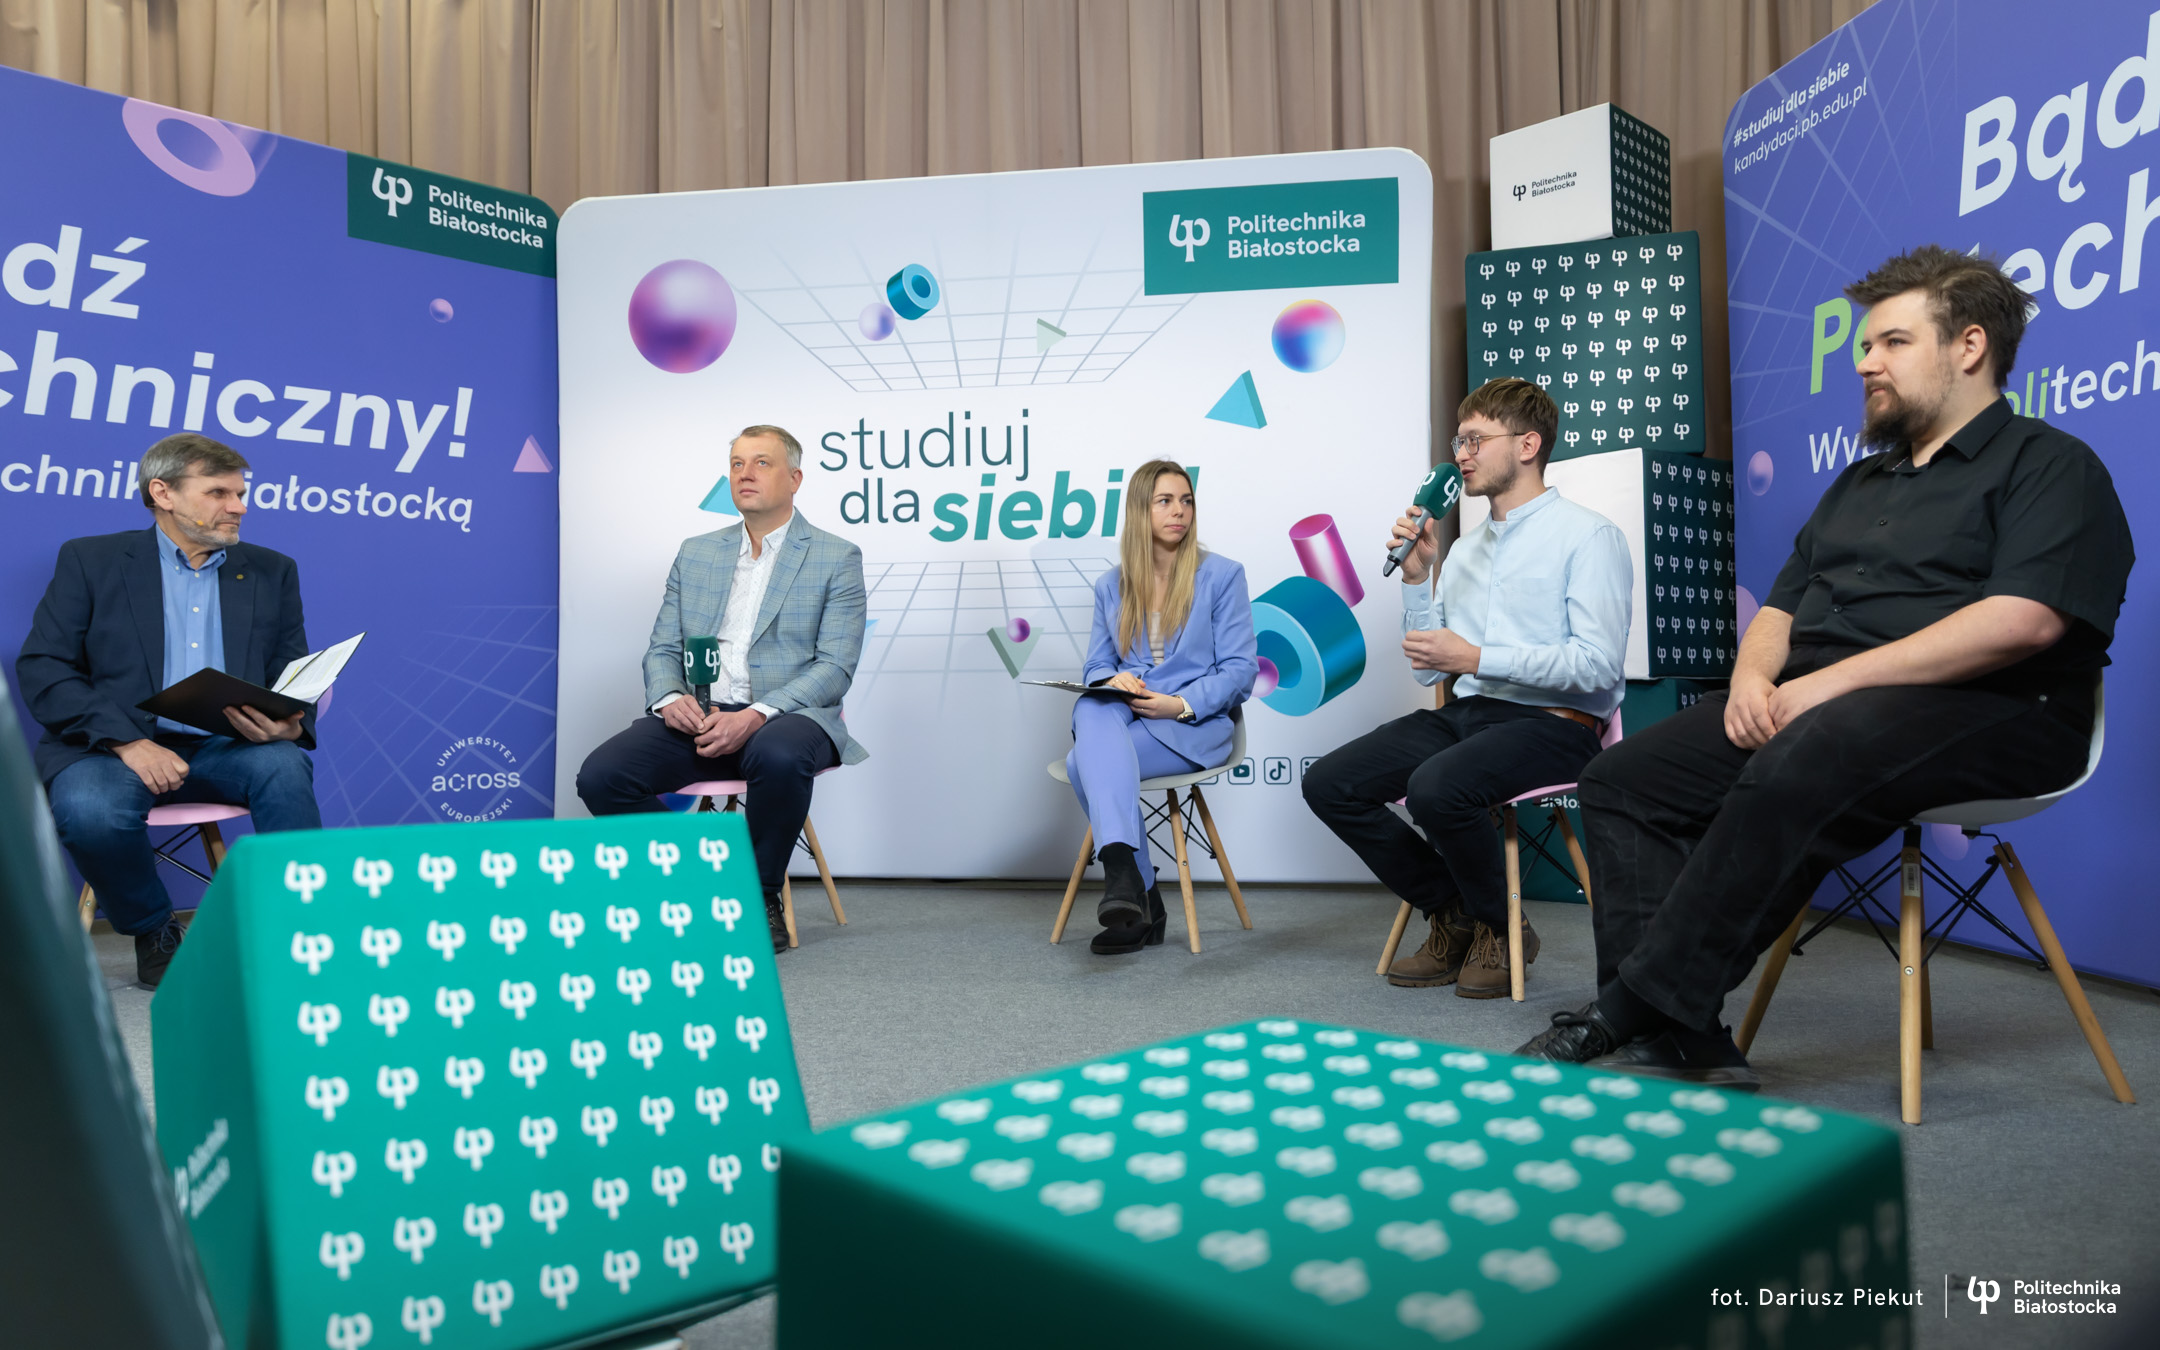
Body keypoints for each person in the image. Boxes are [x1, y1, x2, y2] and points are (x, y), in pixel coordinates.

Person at [1519, 245, 2134, 1087]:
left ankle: (1626, 1013)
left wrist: (1830, 684)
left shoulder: (2052, 464)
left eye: (1892, 343)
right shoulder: (1860, 482)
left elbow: (2023, 620)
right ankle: (1682, 1032)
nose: (1866, 362)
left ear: (1970, 347)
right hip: (1827, 706)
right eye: (1865, 345)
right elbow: (1782, 606)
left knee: (1812, 748)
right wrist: (1751, 681)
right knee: (1626, 779)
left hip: (2004, 708)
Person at [1303, 378, 1629, 997]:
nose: (1462, 455)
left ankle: (1499, 930)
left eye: (1476, 440)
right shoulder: (1462, 551)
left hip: (1557, 726)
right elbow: (1430, 671)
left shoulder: (1589, 537)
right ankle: (1455, 911)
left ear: (1528, 445)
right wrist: (1417, 579)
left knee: (1437, 786)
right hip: (1471, 716)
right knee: (1330, 783)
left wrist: (1477, 656)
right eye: (1459, 441)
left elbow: (1598, 665)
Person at [18, 433, 322, 988]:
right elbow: (45, 668)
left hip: (227, 748)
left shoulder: (272, 570)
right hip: (111, 748)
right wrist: (129, 743)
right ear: (163, 493)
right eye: (219, 493)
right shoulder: (91, 560)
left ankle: (302, 931)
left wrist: (289, 721)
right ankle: (155, 929)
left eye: (240, 493)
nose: (239, 506)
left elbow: (291, 672)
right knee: (90, 810)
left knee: (285, 767)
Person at [576, 424, 866, 954]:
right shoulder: (697, 553)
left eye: (761, 462)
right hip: (704, 714)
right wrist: (671, 699)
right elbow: (663, 649)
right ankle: (708, 880)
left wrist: (755, 715)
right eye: (736, 464)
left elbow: (835, 667)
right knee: (602, 777)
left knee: (778, 754)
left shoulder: (836, 556)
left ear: (795, 478)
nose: (744, 474)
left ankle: (758, 896)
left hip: (788, 717)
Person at [1066, 459, 1256, 954]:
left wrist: (1180, 704)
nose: (1180, 511)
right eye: (1165, 501)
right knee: (1092, 705)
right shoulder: (1111, 584)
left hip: (1191, 724)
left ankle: (1135, 887)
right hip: (1127, 715)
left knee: (1080, 762)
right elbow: (1096, 664)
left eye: (1186, 500)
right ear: (1139, 511)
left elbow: (1241, 670)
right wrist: (1111, 679)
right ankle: (1129, 878)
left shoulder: (1222, 575)